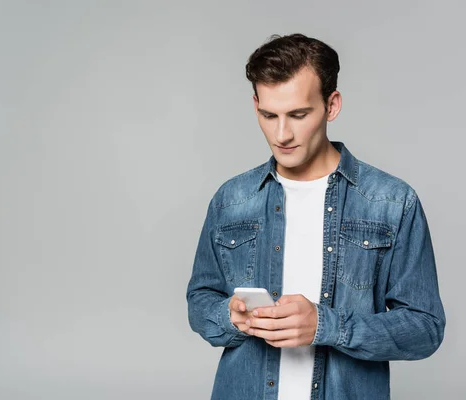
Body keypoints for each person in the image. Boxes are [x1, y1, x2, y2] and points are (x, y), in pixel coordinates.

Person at [186, 33, 445, 400]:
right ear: (255, 105)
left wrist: (328, 326)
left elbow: (425, 328)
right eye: (268, 115)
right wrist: (231, 317)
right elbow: (200, 300)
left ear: (332, 105)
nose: (282, 134)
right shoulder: (231, 200)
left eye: (298, 114)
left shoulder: (391, 201)